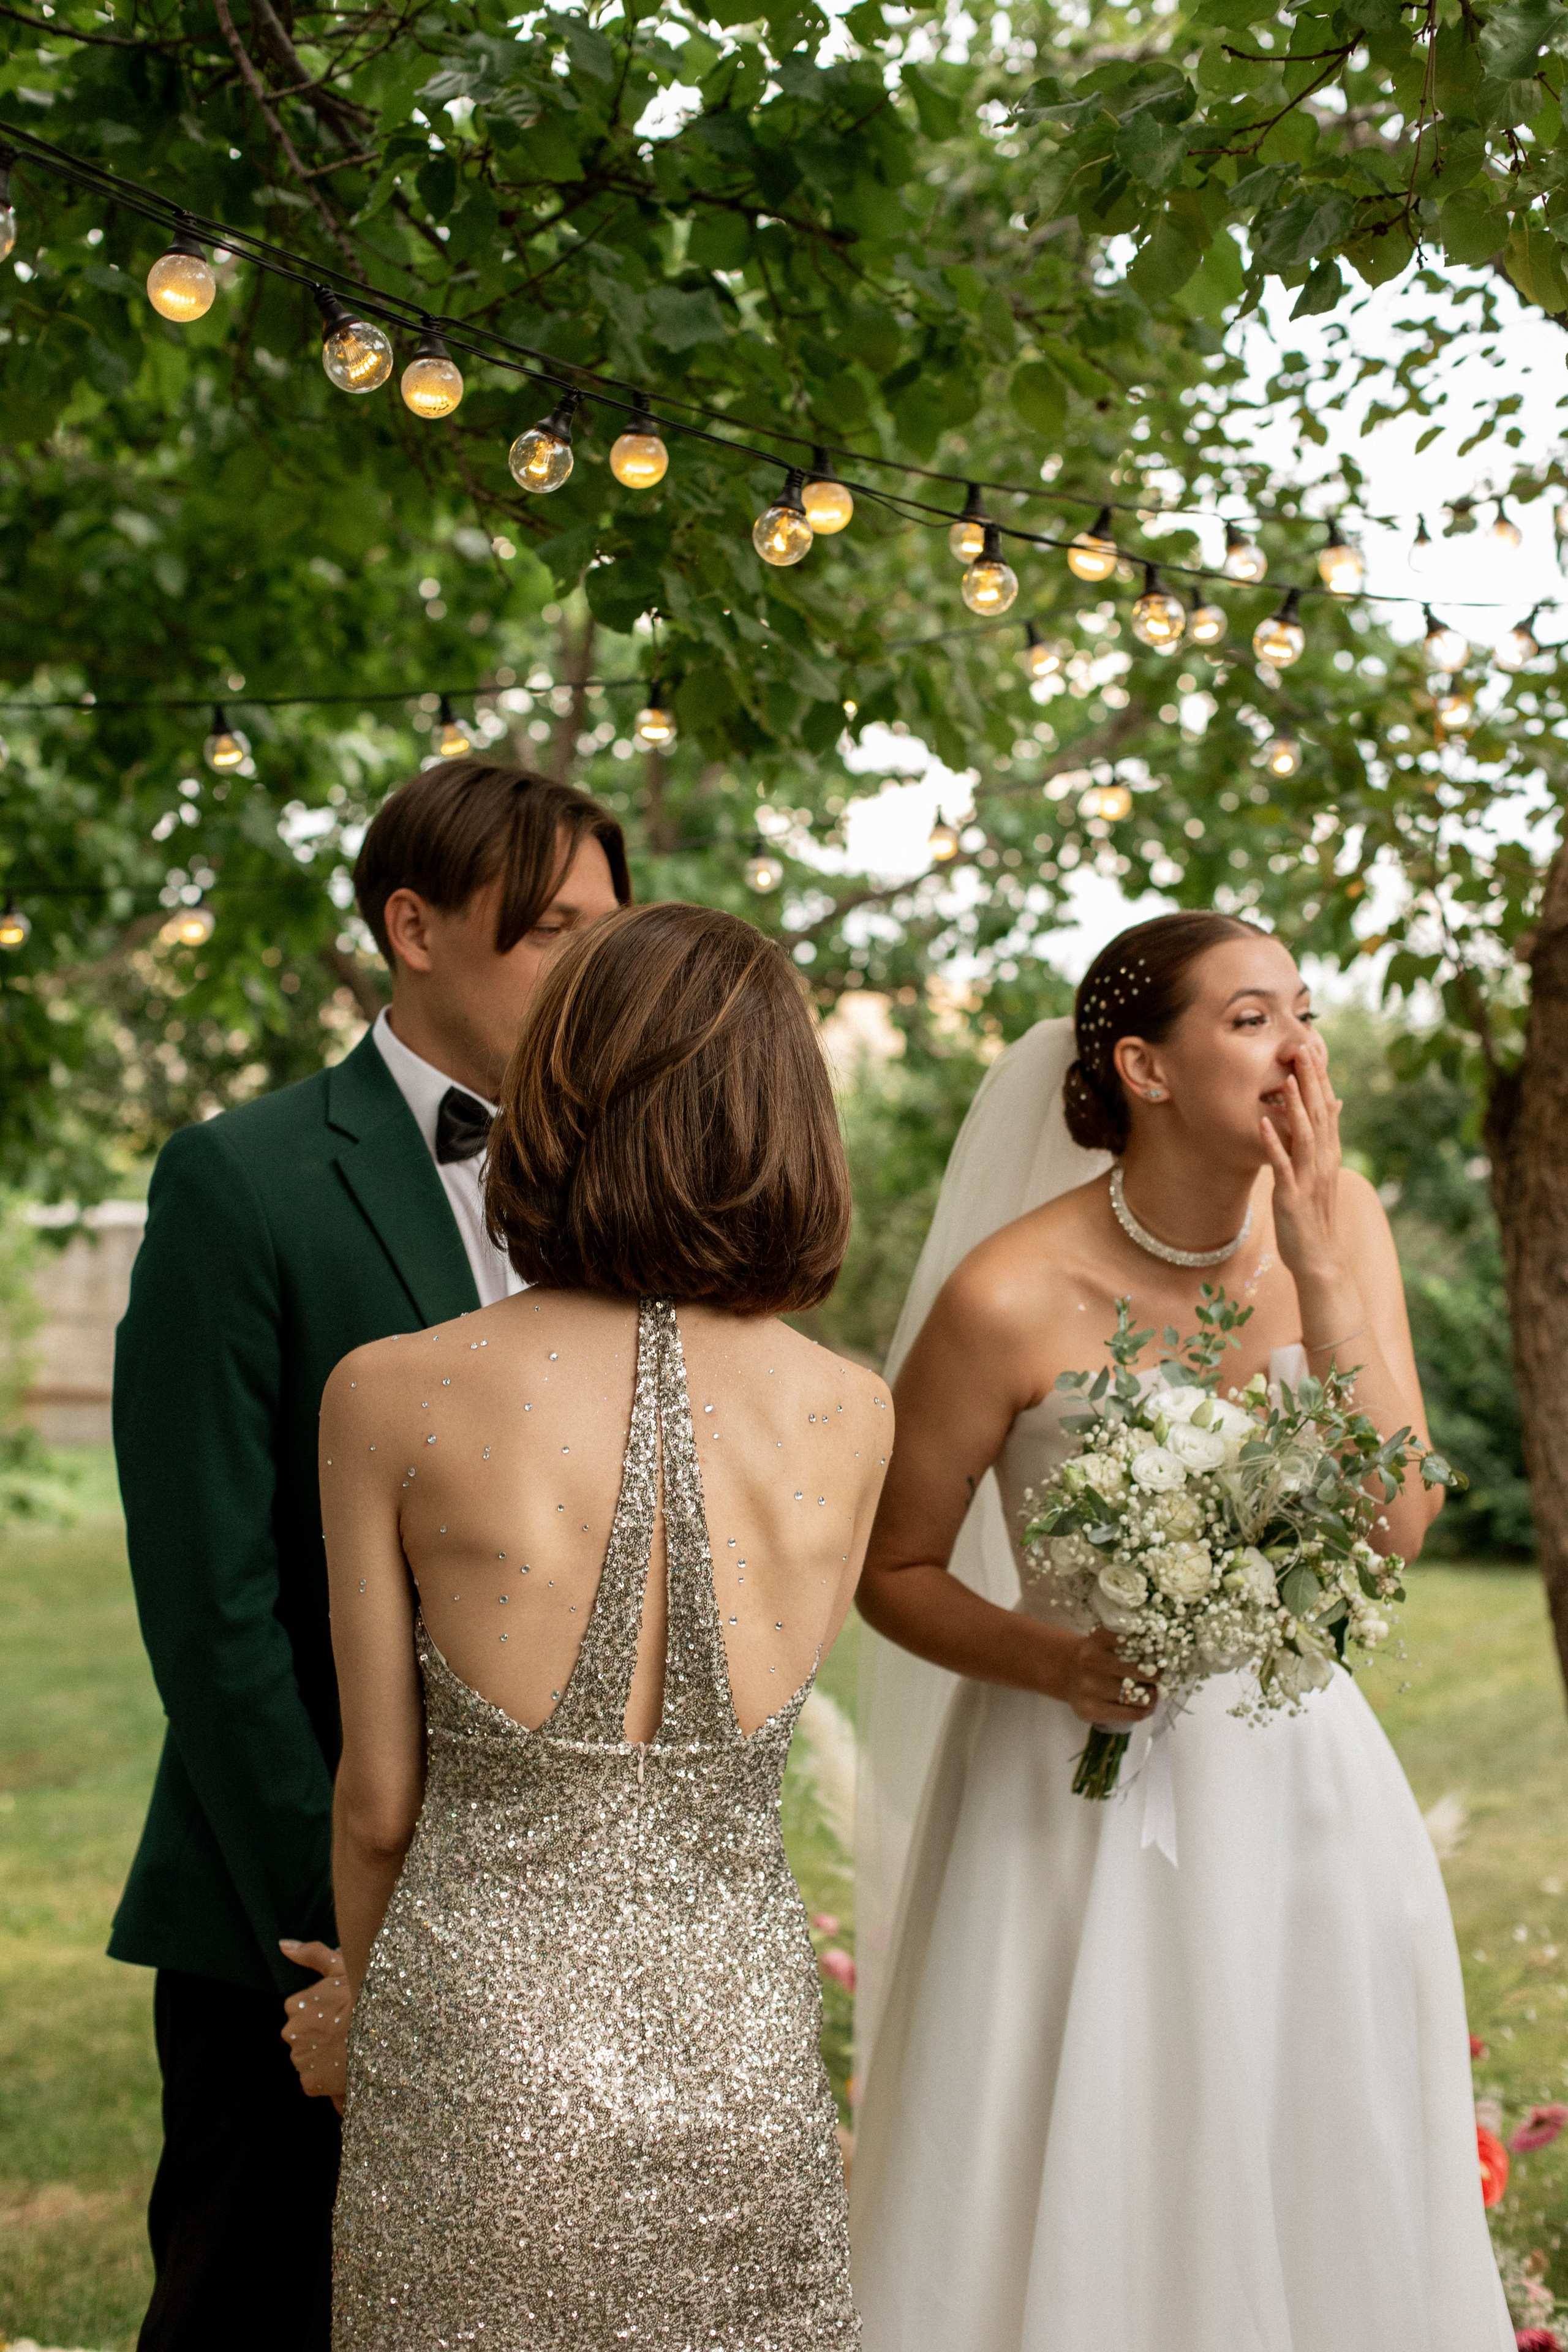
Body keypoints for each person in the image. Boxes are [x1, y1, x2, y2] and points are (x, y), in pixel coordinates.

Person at [849, 911, 1511, 2352]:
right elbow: (889, 1566)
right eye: (1251, 1018)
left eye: (1304, 1014)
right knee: (1090, 2128)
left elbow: (1394, 1529)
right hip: (1064, 1785)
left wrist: (1323, 1275)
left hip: (1298, 1784)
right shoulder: (1004, 1293)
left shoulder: (1345, 1227)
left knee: (1305, 2120)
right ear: (1143, 1068)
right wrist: (1057, 1660)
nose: (1297, 1052)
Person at [318, 901, 889, 2350]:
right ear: (787, 1127)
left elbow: (380, 1808)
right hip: (740, 2055)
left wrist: (364, 2026)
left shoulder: (393, 1392)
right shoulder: (850, 1411)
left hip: (479, 2046)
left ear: (556, 1103)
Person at [110, 762, 628, 2352]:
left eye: (607, 938)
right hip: (296, 1914)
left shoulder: (628, 1184)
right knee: (260, 2309)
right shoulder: (243, 1180)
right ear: (414, 927)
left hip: (563, 1899)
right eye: (550, 935)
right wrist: (348, 1924)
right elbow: (215, 1607)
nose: (588, 976)